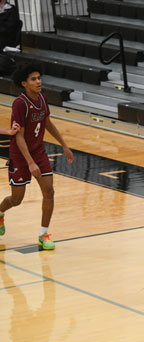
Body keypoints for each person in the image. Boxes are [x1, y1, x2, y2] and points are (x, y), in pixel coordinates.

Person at [0, 62, 74, 250]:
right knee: (16, 200)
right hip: (20, 155)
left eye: (39, 78)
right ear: (24, 83)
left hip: (38, 151)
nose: (38, 81)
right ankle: (0, 213)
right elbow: (19, 136)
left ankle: (43, 234)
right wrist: (30, 163)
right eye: (33, 79)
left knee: (49, 191)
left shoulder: (42, 98)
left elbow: (47, 123)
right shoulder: (20, 104)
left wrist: (64, 145)